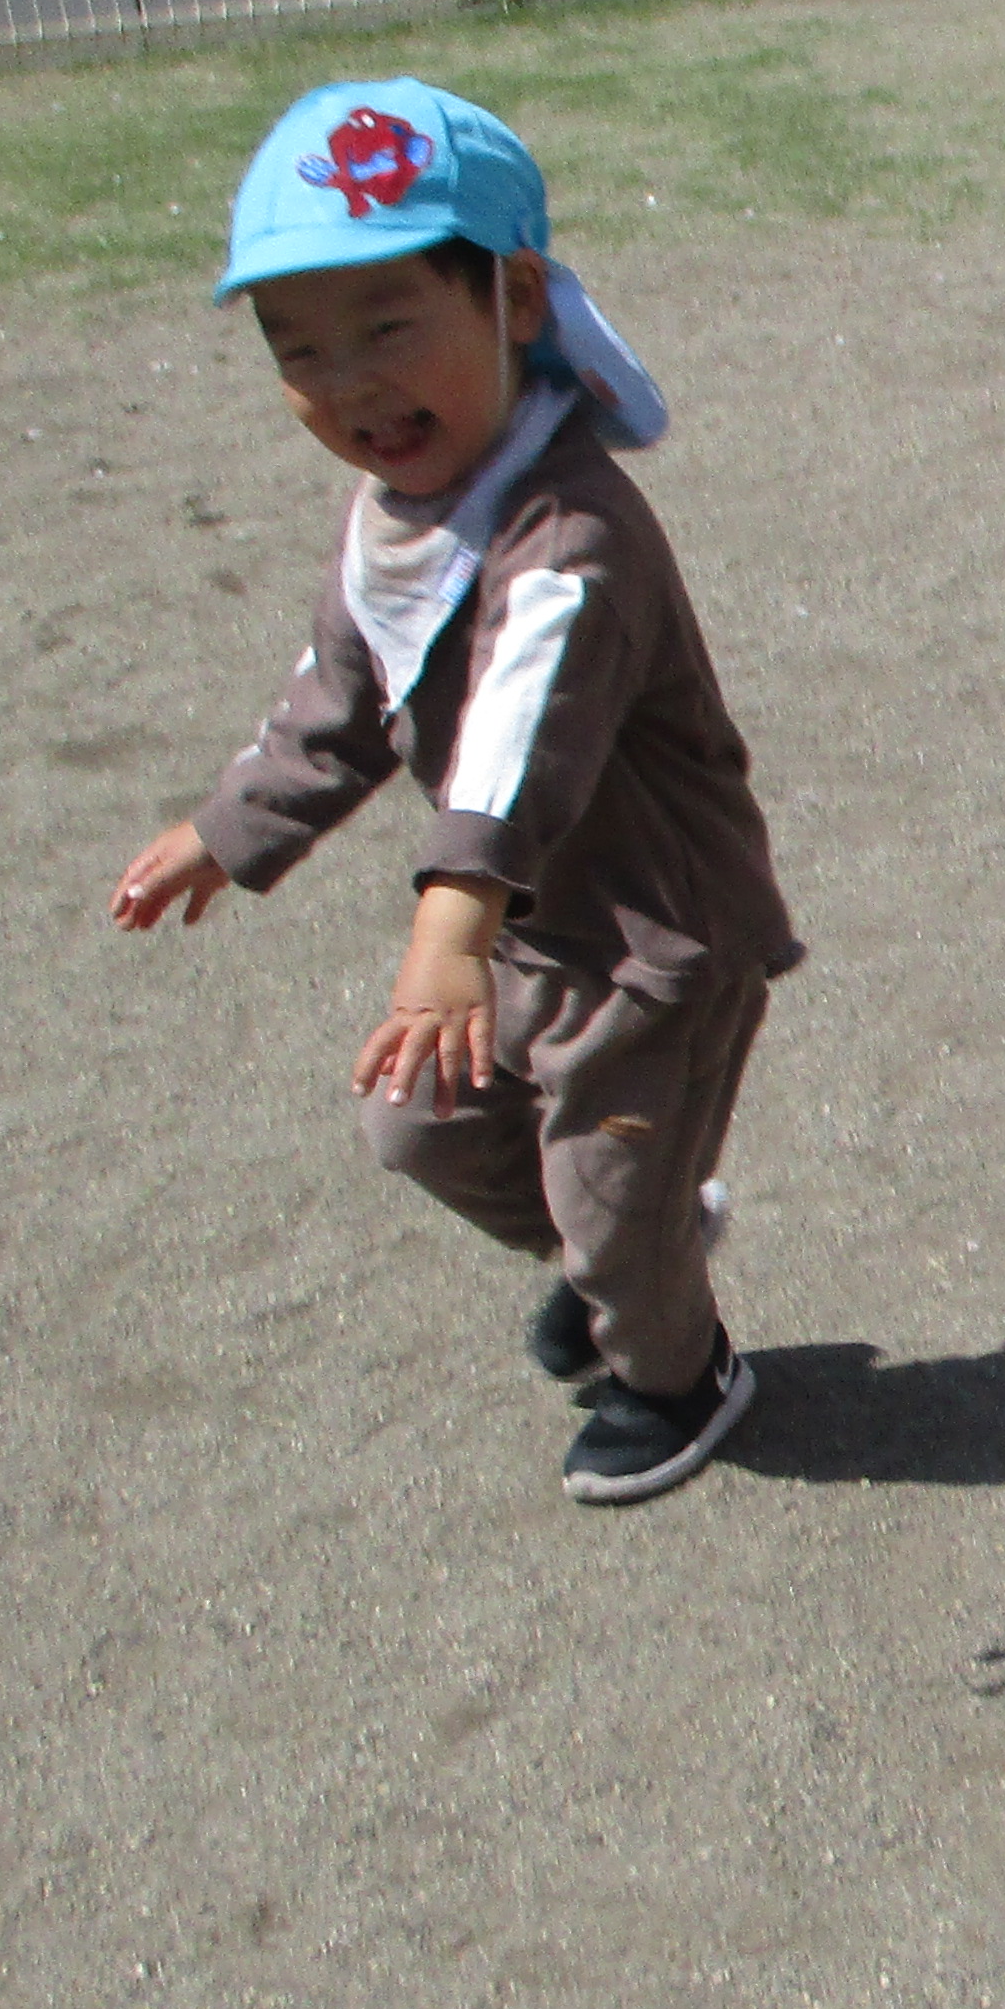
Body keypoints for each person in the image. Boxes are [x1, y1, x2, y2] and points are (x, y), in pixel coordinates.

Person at [109, 79, 799, 1506]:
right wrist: (229, 829)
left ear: (518, 302)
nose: (348, 383)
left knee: (613, 1211)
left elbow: (516, 738)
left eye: (385, 328)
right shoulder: (399, 521)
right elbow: (339, 699)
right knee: (418, 1126)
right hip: (524, 930)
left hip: (654, 941)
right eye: (299, 350)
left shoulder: (571, 533)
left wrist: (450, 930)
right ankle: (636, 1252)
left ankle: (680, 1374)